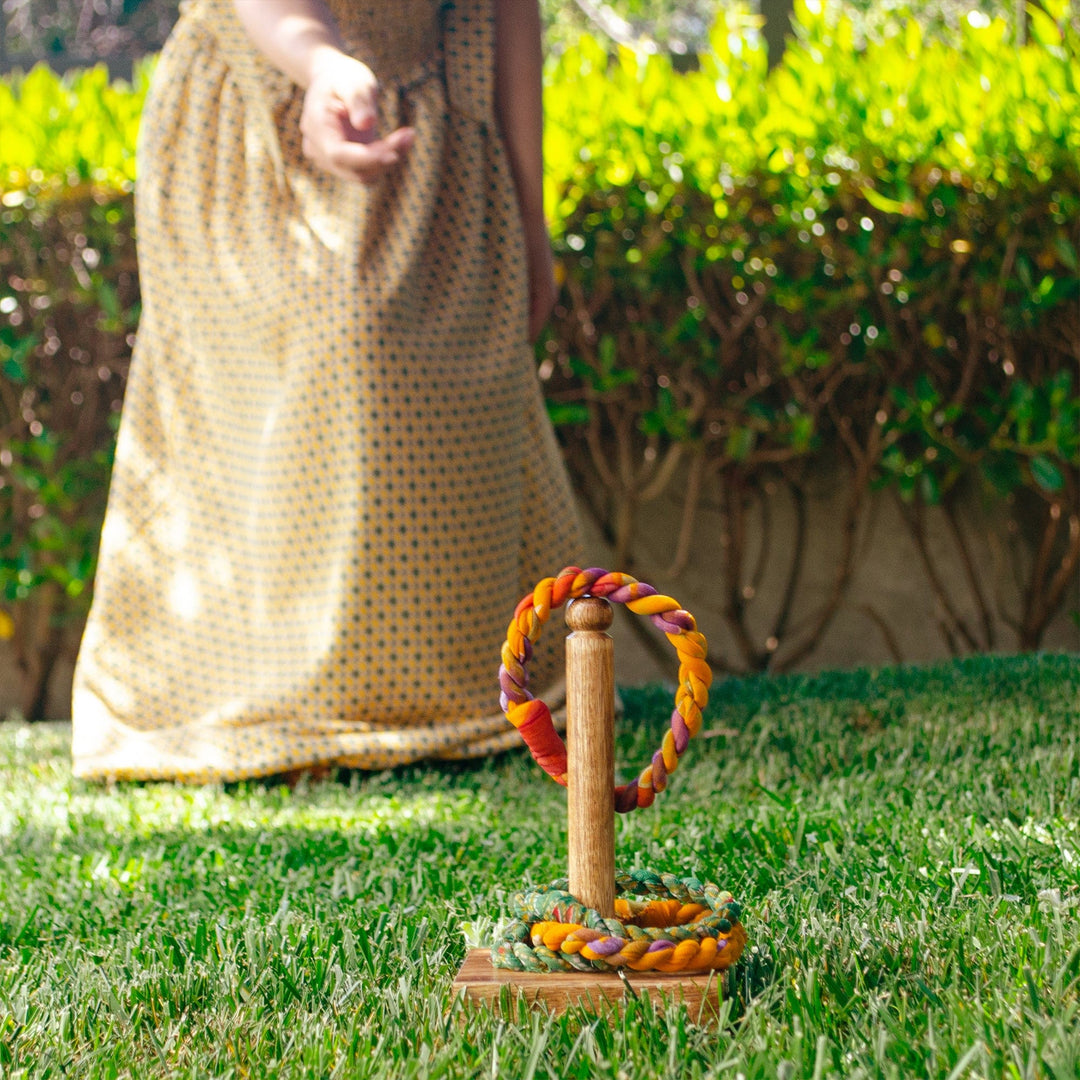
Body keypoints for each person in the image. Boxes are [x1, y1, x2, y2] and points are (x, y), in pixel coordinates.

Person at [71, 0, 584, 782]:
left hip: (441, 118)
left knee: (448, 400)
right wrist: (322, 66)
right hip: (262, 102)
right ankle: (278, 694)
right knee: (330, 366)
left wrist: (528, 215)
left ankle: (455, 685)